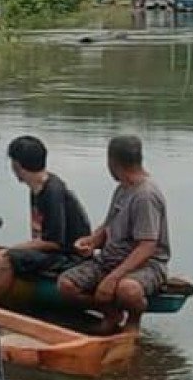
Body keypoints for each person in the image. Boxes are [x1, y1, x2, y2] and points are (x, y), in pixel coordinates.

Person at [57, 135, 171, 334]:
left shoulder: (145, 196)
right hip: (112, 258)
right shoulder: (122, 189)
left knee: (127, 290)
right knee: (66, 285)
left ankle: (133, 323)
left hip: (146, 264)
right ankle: (111, 313)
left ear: (113, 162)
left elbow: (147, 246)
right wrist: (92, 241)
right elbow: (108, 225)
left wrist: (113, 279)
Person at [0, 135, 91, 305]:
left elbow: (54, 242)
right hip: (52, 253)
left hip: (68, 257)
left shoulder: (52, 192)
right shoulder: (37, 187)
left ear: (17, 165)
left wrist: (13, 249)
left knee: (9, 258)